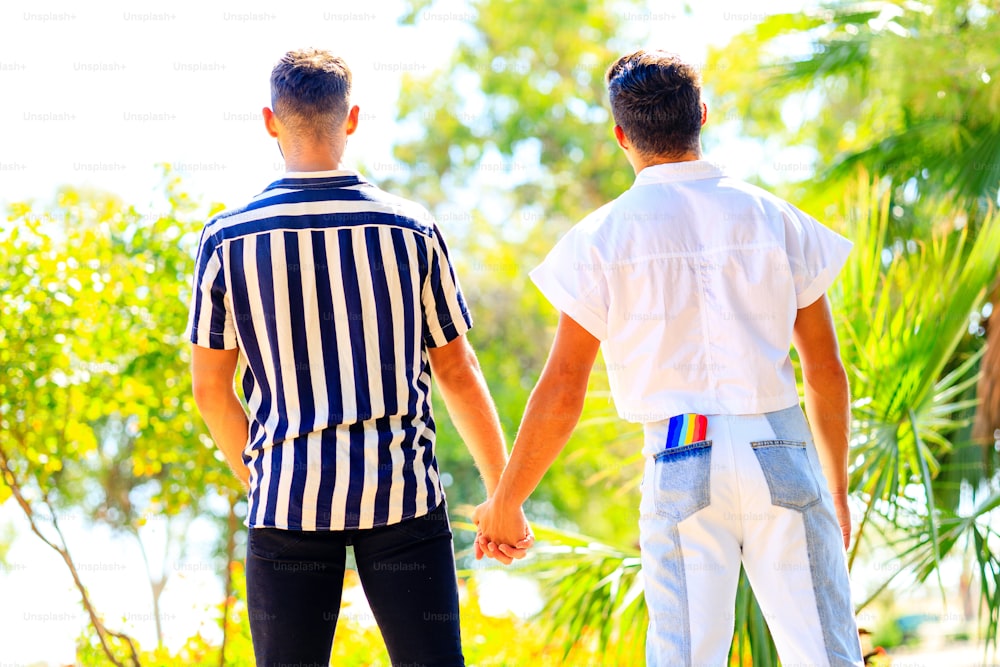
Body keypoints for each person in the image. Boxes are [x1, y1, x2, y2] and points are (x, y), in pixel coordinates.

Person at [474, 49, 865, 666]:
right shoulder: (776, 217)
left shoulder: (601, 237)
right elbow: (824, 371)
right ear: (702, 115)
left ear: (621, 134)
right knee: (825, 654)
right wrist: (836, 486)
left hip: (683, 442)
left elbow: (563, 388)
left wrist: (506, 499)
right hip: (781, 443)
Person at [188, 48, 530, 667]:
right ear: (351, 119)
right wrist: (502, 494)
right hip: (402, 494)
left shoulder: (227, 237)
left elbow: (211, 389)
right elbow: (457, 369)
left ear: (271, 121)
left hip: (286, 500)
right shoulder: (410, 229)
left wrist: (264, 478)